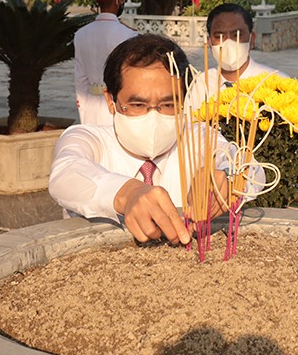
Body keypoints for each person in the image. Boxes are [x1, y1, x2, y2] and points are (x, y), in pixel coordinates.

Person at [51, 34, 242, 244]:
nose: (154, 116)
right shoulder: (88, 139)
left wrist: (224, 177)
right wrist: (128, 193)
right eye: (137, 105)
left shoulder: (196, 136)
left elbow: (246, 167)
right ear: (110, 100)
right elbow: (65, 173)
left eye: (168, 105)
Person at [186, 3, 288, 111]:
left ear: (251, 39)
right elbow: (190, 124)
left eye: (237, 35)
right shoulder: (200, 84)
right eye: (219, 36)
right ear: (209, 42)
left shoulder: (277, 82)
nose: (228, 42)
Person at [74, 0, 138, 126]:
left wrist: (83, 111)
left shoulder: (81, 34)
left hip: (90, 107)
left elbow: (80, 79)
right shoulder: (129, 35)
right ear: (118, 1)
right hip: (116, 107)